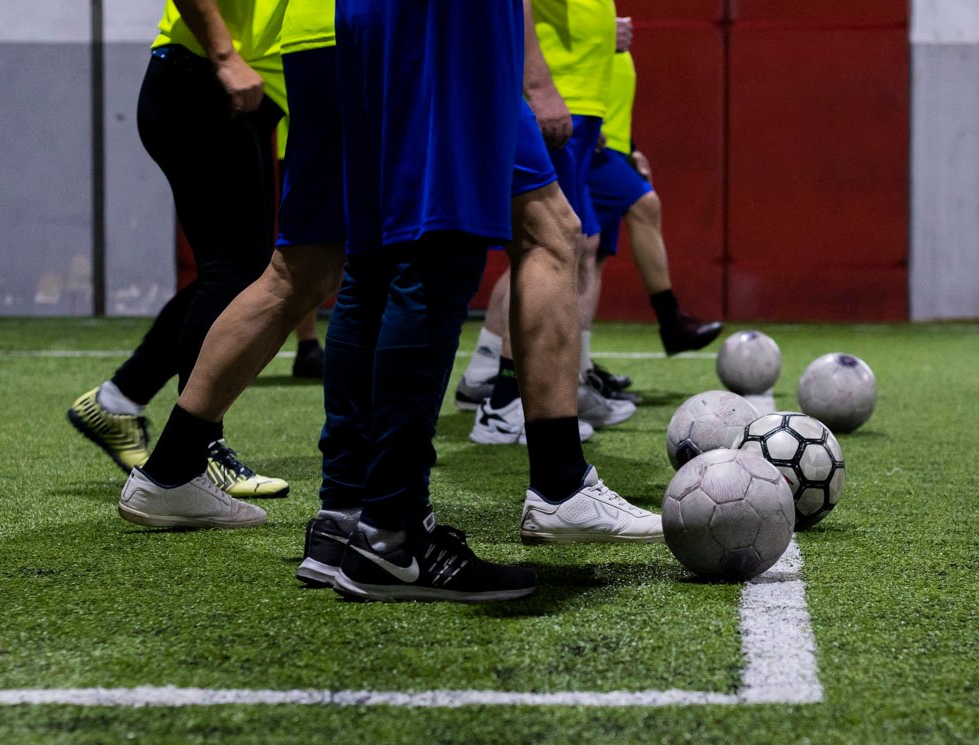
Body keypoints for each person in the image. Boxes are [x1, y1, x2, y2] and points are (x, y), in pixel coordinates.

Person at [299, 0, 661, 589]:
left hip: (371, 17)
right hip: (451, 22)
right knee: (438, 251)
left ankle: (344, 517)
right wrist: (537, 80)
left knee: (380, 258)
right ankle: (392, 533)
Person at [68, 0, 289, 501]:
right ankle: (200, 450)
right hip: (205, 78)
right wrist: (225, 56)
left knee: (241, 274)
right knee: (233, 274)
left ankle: (118, 400)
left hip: (241, 89)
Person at [463, 0, 637, 437]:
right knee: (545, 246)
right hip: (559, 99)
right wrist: (540, 86)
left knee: (562, 245)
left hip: (578, 102)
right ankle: (505, 398)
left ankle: (535, 391)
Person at [588, 38, 722, 357]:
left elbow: (608, 92)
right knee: (642, 206)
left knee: (591, 257)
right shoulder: (576, 24)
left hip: (610, 146)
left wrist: (631, 148)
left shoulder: (605, 26)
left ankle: (580, 367)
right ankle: (670, 320)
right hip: (586, 142)